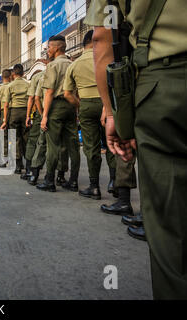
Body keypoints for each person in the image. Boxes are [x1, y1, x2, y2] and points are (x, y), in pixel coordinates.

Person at [86, 0, 187, 299]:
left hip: (163, 84)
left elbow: (102, 40)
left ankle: (114, 195)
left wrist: (114, 111)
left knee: (170, 228)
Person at [63, 30, 116, 200]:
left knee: (91, 147)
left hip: (86, 105)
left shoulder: (74, 64)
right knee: (112, 143)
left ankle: (94, 187)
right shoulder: (107, 58)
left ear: (84, 43)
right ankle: (115, 182)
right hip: (108, 102)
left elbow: (67, 94)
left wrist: (81, 105)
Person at [36, 35, 80, 193]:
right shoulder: (72, 64)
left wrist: (45, 115)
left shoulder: (53, 66)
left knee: (53, 144)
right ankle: (73, 181)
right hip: (71, 106)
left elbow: (49, 92)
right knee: (73, 145)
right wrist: (76, 110)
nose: (47, 50)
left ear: (57, 48)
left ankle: (49, 180)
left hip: (56, 106)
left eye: (49, 47)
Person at [1, 64, 30, 174]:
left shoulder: (10, 86)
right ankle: (28, 166)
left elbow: (6, 105)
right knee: (26, 139)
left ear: (13, 74)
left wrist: (5, 120)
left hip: (14, 113)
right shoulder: (28, 84)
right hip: (25, 111)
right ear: (23, 73)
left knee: (15, 139)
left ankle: (18, 166)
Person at [21, 70, 45, 180]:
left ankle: (31, 171)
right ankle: (61, 176)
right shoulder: (68, 67)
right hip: (63, 110)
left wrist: (28, 116)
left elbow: (33, 98)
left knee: (33, 141)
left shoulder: (37, 77)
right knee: (59, 144)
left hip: (41, 111)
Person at [0, 69, 12, 167]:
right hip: (12, 112)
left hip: (1, 113)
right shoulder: (12, 87)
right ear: (10, 76)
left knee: (2, 137)